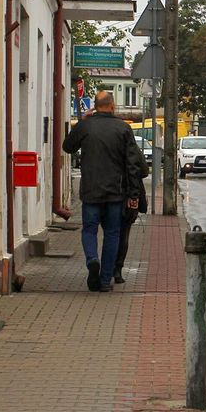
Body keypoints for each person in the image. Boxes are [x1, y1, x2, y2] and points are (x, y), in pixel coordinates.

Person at [61, 91, 143, 292]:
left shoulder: (86, 126)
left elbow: (68, 147)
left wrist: (81, 122)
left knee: (89, 229)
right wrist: (134, 195)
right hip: (115, 192)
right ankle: (105, 280)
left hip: (91, 191)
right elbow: (133, 164)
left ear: (95, 106)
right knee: (112, 234)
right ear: (113, 105)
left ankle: (92, 261)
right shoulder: (123, 128)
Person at [113, 152, 150, 284]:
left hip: (110, 194)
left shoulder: (109, 146)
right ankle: (117, 269)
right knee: (124, 234)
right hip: (129, 196)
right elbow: (145, 171)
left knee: (111, 232)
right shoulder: (132, 149)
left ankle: (107, 268)